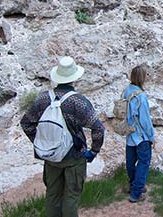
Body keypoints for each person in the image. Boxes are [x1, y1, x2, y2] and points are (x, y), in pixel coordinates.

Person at [21, 56, 105, 217]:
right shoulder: (79, 102)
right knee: (71, 197)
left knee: (52, 195)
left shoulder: (43, 98)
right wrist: (94, 151)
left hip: (51, 157)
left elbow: (26, 124)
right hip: (74, 157)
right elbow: (98, 129)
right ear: (75, 79)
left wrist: (42, 142)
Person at [124, 65, 155, 203]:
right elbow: (145, 120)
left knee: (130, 162)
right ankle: (136, 193)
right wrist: (152, 137)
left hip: (129, 134)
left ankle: (133, 186)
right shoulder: (141, 97)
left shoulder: (126, 91)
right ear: (142, 78)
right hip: (141, 136)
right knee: (143, 162)